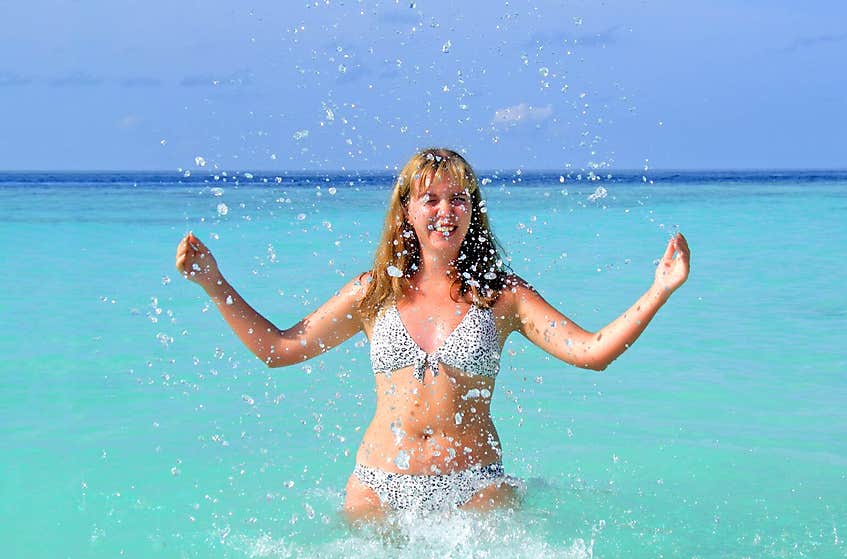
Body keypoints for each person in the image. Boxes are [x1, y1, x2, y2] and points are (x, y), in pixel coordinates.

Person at [175, 148, 690, 522]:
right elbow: (278, 349)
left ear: (474, 210)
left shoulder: (502, 296)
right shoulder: (373, 293)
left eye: (459, 199)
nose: (446, 211)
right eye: (431, 199)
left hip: (474, 485)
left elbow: (591, 352)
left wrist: (659, 290)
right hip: (378, 484)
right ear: (407, 210)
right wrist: (214, 283)